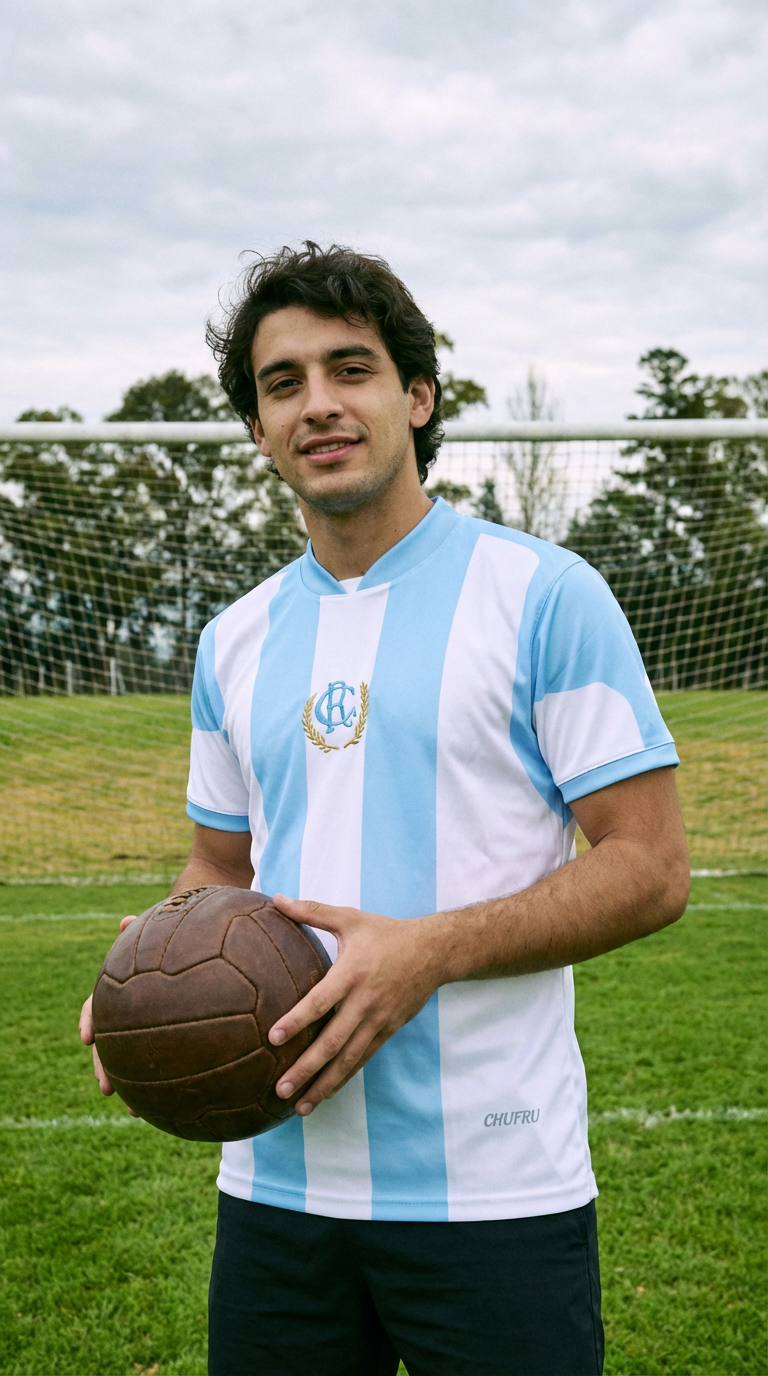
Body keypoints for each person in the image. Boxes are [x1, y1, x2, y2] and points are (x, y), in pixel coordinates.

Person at [80, 242, 690, 1376]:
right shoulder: (233, 638)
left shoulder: (545, 595)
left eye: (349, 369)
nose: (317, 403)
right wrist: (151, 963)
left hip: (496, 1185)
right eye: (283, 383)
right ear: (258, 429)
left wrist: (430, 950)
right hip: (273, 1181)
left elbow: (651, 867)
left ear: (416, 396)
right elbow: (217, 867)